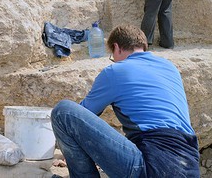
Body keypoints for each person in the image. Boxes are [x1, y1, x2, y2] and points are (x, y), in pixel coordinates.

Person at [50, 25, 200, 178]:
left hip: (153, 167)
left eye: (113, 57)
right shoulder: (170, 68)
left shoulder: (115, 71)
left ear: (117, 48)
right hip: (189, 166)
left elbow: (81, 115)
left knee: (64, 112)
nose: (114, 61)